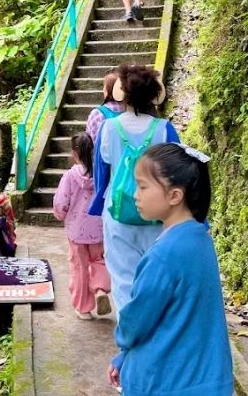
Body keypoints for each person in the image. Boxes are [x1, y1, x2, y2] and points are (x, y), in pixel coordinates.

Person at [107, 144, 232, 396]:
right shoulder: (199, 237)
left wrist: (123, 345)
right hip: (206, 379)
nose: (135, 195)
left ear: (175, 196)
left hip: (164, 381)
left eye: (142, 187)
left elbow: (136, 321)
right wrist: (125, 356)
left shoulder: (162, 256)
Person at [88, 63, 179, 310]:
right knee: (156, 278)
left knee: (122, 281)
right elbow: (179, 173)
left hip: (117, 213)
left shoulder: (109, 128)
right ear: (154, 95)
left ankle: (129, 329)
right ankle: (155, 326)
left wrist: (99, 204)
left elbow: (101, 172)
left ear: (123, 94)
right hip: (157, 215)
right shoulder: (164, 129)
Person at [52, 133, 113, 319]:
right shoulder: (101, 174)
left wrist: (60, 214)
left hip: (77, 231)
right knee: (98, 260)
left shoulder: (70, 176)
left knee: (79, 266)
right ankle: (100, 289)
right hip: (98, 228)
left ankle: (84, 308)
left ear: (74, 152)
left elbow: (62, 202)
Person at [85, 71, 123, 141]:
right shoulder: (131, 111)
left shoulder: (97, 114)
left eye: (104, 87)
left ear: (107, 91)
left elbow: (90, 140)